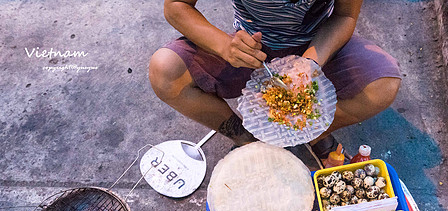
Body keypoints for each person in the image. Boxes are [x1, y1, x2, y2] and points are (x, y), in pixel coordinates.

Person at [149, 0, 401, 159]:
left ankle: (310, 132)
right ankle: (249, 139)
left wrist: (310, 63)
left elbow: (345, 15)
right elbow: (176, 6)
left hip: (317, 43)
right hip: (251, 48)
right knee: (165, 71)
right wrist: (225, 46)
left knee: (382, 86)